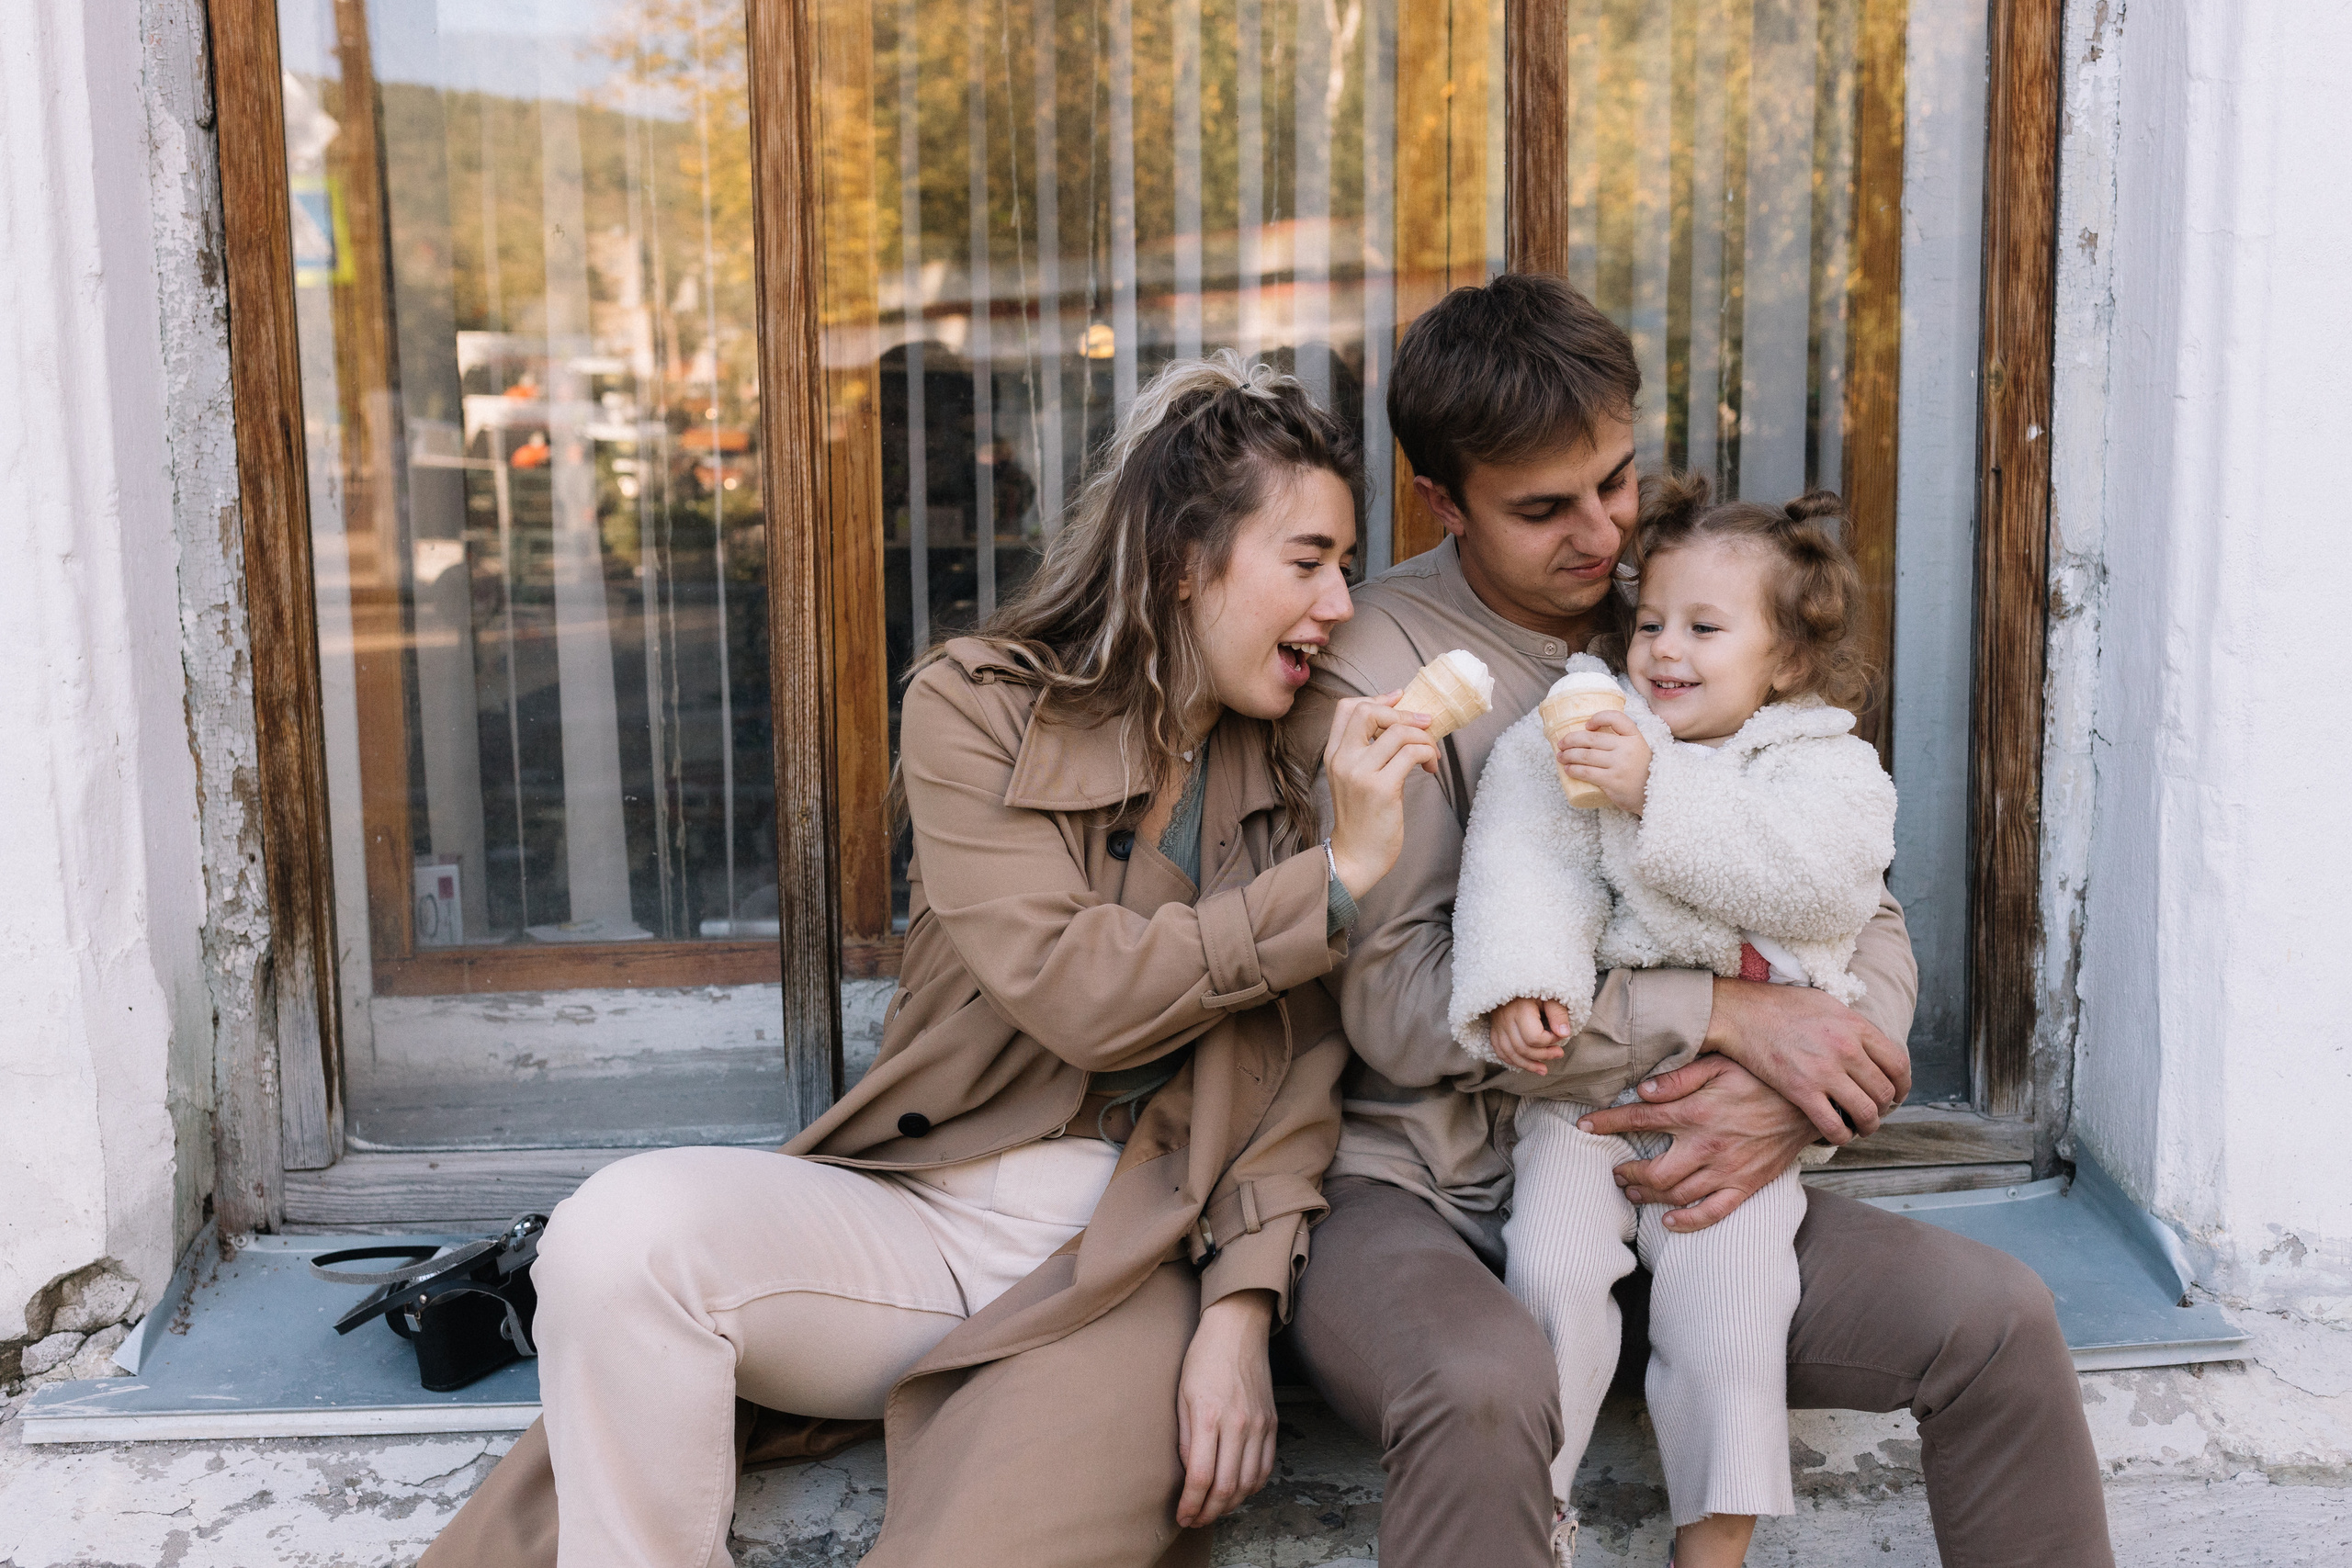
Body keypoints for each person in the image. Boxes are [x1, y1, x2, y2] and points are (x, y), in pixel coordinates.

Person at [418, 353, 1440, 1568]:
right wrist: (1329, 885)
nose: (1340, 605)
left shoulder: (1308, 769)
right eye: (1308, 560)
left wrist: (1237, 1308)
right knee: (616, 1235)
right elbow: (1077, 990)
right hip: (914, 1211)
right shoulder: (978, 705)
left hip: (1119, 1259)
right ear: (1182, 557)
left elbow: (1292, 1083)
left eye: (1347, 565)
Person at [1278, 274, 2114, 1568]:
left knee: (1998, 1314)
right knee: (1485, 1382)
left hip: (1688, 1160)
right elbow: (1397, 1005)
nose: (1602, 533)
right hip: (1432, 1183)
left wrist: (1804, 1075)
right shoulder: (1376, 662)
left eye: (1615, 479)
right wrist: (1724, 1013)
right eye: (1545, 509)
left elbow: (1857, 909)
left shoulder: (1691, 604)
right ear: (1444, 500)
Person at [1449, 478, 1901, 1565]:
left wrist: (1663, 794)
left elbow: (1821, 890)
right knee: (1549, 1275)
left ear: (1785, 660)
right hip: (1590, 1099)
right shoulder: (1589, 731)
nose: (1664, 648)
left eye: (1705, 627)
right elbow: (1526, 862)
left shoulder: (1826, 765)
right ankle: (1535, 1518)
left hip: (1735, 1114)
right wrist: (1521, 985)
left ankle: (1716, 1549)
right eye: (1651, 619)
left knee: (1730, 1316)